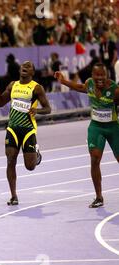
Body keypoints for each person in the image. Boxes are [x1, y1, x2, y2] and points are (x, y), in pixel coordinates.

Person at [55, 63, 119, 208]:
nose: (100, 78)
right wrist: (63, 81)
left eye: (102, 75)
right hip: (96, 127)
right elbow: (80, 87)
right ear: (92, 75)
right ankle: (99, 197)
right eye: (97, 75)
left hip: (113, 128)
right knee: (95, 159)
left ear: (107, 75)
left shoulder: (114, 89)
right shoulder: (89, 84)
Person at [0, 61, 51, 206]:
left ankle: (36, 154)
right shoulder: (12, 85)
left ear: (32, 72)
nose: (24, 68)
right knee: (10, 160)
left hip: (28, 130)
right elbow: (0, 102)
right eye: (23, 66)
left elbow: (48, 109)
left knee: (30, 167)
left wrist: (37, 111)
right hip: (12, 129)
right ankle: (13, 196)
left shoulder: (36, 88)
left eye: (28, 66)